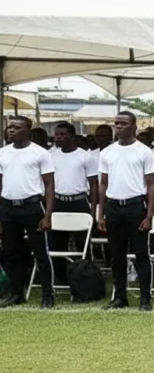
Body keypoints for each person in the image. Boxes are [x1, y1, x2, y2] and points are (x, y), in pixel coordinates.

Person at [97, 112, 154, 311]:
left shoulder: (144, 152)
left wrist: (149, 215)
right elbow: (103, 184)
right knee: (116, 255)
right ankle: (120, 296)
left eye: (124, 123)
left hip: (135, 206)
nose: (119, 126)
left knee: (141, 254)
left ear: (134, 126)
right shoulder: (107, 152)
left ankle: (145, 299)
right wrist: (100, 213)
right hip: (113, 206)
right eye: (117, 123)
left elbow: (151, 185)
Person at [0, 116, 56, 308]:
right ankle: (17, 293)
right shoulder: (3, 153)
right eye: (10, 127)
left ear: (27, 131)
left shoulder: (39, 153)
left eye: (16, 127)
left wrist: (47, 215)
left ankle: (48, 294)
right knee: (11, 252)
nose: (11, 130)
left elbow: (49, 185)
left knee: (40, 252)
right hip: (8, 206)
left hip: (32, 206)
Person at [49, 121, 97, 286]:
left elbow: (94, 184)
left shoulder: (85, 156)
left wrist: (93, 209)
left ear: (72, 136)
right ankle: (60, 278)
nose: (59, 138)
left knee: (82, 243)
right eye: (57, 135)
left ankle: (85, 278)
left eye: (63, 134)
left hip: (79, 202)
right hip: (58, 201)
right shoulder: (51, 155)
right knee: (56, 243)